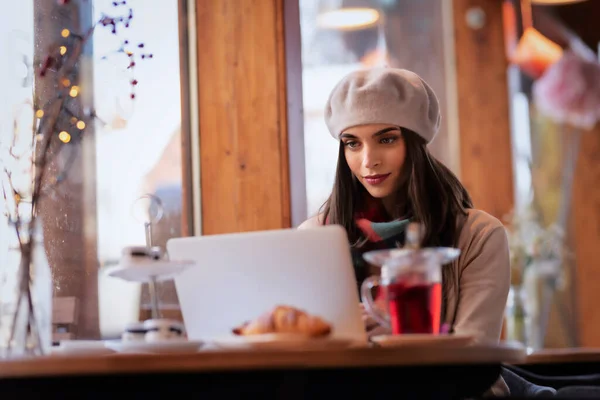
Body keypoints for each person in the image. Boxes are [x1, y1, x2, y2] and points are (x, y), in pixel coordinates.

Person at [298, 68, 510, 396]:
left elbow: (475, 356)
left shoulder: (478, 235)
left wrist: (398, 328)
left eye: (386, 139)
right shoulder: (315, 236)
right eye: (352, 144)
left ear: (416, 143)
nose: (368, 160)